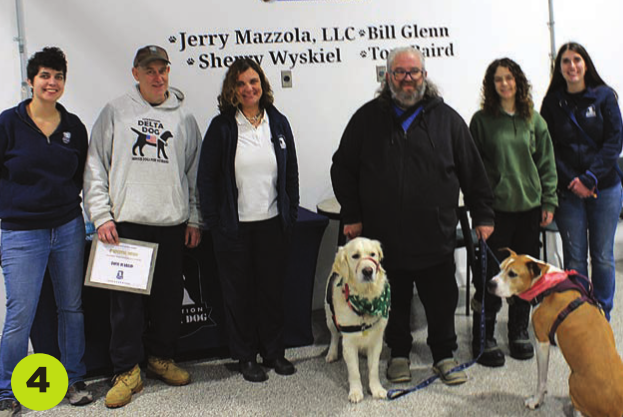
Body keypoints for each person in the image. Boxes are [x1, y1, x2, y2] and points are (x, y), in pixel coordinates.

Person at [331, 46, 494, 385]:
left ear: (424, 75)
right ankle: (399, 354)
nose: (408, 79)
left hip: (434, 235)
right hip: (384, 238)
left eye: (414, 72)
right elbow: (342, 168)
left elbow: (473, 172)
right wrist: (352, 213)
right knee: (395, 299)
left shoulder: (447, 120)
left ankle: (444, 355)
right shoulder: (367, 119)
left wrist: (483, 215)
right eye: (400, 72)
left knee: (441, 299)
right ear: (388, 76)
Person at [83, 45, 202, 408]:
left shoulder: (184, 118)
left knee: (167, 300)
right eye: (149, 70)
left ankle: (161, 358)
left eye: (162, 70)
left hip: (171, 224)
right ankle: (126, 371)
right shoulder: (115, 112)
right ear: (135, 74)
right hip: (127, 226)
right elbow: (95, 165)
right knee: (126, 308)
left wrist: (194, 217)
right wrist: (101, 216)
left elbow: (194, 173)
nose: (157, 77)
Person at [0, 47, 93, 416]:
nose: (52, 82)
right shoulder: (8, 124)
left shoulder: (74, 127)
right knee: (20, 312)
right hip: (21, 233)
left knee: (71, 307)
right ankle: (6, 389)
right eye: (45, 76)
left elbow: (79, 176)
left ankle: (74, 379)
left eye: (58, 76)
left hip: (68, 227)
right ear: (30, 80)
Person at [197, 58, 299, 383]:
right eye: (240, 83)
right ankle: (245, 356)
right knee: (239, 295)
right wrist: (215, 222)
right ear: (232, 89)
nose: (248, 88)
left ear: (262, 84)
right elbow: (206, 179)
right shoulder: (222, 127)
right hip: (234, 228)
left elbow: (291, 173)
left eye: (253, 81)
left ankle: (273, 352)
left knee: (271, 292)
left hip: (272, 224)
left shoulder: (278, 122)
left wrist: (290, 213)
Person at [469, 58, 558, 367]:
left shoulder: (534, 120)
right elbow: (473, 169)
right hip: (496, 213)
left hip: (529, 211)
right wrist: (480, 211)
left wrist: (548, 202)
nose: (504, 83)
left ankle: (518, 330)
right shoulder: (481, 121)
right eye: (498, 79)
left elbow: (546, 163)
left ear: (518, 82)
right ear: (491, 85)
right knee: (491, 275)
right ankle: (484, 336)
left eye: (509, 78)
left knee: (524, 276)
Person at [541, 42, 623, 321]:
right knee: (575, 258)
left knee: (602, 256)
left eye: (576, 59)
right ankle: (578, 314)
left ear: (586, 64)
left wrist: (589, 178)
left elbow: (614, 142)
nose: (572, 66)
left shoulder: (604, 97)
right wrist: (572, 180)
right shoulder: (552, 103)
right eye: (565, 61)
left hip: (605, 188)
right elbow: (548, 147)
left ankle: (601, 315)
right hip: (569, 192)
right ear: (559, 67)